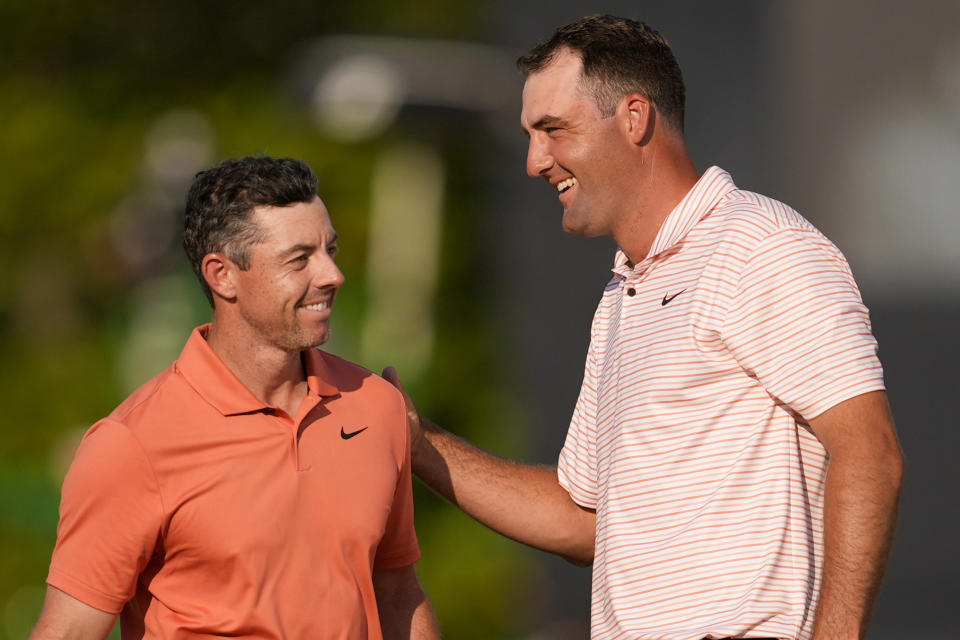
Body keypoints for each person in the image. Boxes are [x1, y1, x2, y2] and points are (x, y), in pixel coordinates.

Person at [383, 15, 903, 640]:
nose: (533, 161)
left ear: (634, 117)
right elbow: (583, 522)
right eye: (529, 135)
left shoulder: (761, 245)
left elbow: (869, 452)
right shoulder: (623, 290)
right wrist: (420, 445)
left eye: (553, 130)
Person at [31, 156, 440, 640]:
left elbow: (396, 590)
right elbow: (70, 631)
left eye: (331, 250)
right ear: (222, 275)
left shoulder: (377, 405)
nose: (332, 275)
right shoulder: (130, 444)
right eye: (299, 259)